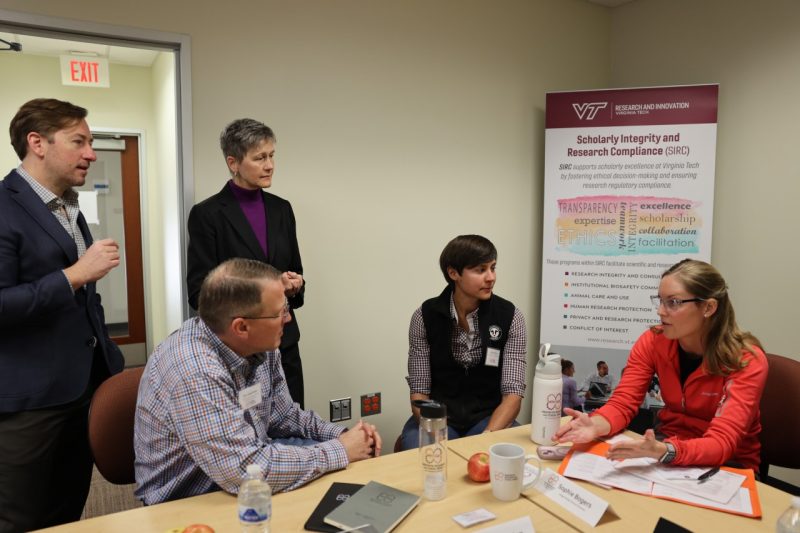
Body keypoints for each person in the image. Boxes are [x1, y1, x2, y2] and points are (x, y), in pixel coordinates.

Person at [134, 258, 381, 504]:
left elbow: (283, 416)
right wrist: (340, 450)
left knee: (348, 492)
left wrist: (343, 435)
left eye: (286, 307)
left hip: (248, 465)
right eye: (279, 312)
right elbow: (243, 470)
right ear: (242, 327)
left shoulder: (262, 344)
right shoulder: (195, 370)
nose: (288, 319)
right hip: (190, 500)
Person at [0, 98, 124, 532]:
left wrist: (108, 359)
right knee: (20, 518)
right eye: (79, 142)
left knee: (67, 512)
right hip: (28, 402)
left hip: (83, 389)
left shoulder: (70, 205)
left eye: (90, 142)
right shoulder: (3, 206)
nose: (91, 153)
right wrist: (73, 275)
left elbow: (86, 298)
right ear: (37, 143)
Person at [554, 259, 767, 471]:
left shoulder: (746, 360)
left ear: (709, 307)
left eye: (673, 302)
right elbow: (623, 402)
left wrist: (666, 450)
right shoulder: (654, 341)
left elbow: (722, 442)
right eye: (660, 301)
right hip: (666, 453)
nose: (660, 311)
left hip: (727, 467)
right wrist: (596, 425)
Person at [187, 118, 307, 407]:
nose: (270, 165)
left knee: (294, 426)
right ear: (234, 162)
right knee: (249, 435)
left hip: (283, 342)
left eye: (271, 156)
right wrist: (265, 289)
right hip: (237, 350)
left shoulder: (282, 209)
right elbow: (199, 292)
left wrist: (294, 285)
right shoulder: (208, 214)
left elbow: (296, 270)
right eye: (259, 158)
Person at [401, 235, 527, 450]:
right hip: (437, 415)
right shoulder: (424, 316)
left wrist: (488, 438)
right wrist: (437, 436)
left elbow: (513, 394)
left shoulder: (510, 317)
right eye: (480, 270)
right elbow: (419, 392)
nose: (491, 278)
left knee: (496, 457)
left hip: (488, 418)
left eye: (493, 268)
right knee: (426, 459)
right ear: (453, 273)